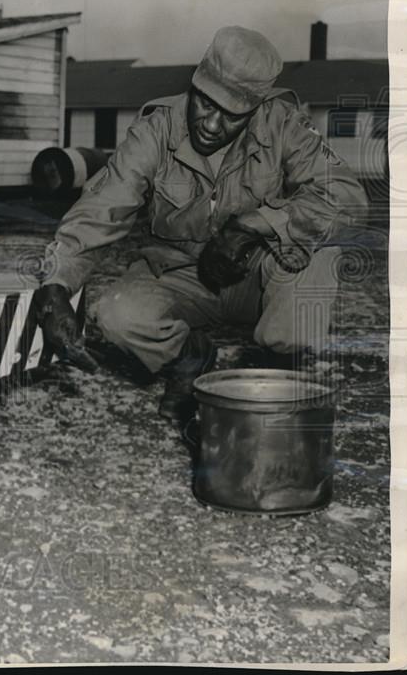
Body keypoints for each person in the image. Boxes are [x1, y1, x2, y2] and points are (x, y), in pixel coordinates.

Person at [35, 25, 369, 423]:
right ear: (195, 83)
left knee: (317, 258)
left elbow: (349, 199)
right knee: (116, 315)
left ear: (256, 107)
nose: (210, 124)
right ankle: (189, 359)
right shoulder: (157, 129)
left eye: (232, 116)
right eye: (205, 104)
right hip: (183, 274)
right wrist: (56, 284)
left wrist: (253, 225)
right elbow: (102, 206)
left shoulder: (284, 124)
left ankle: (277, 378)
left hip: (258, 276)